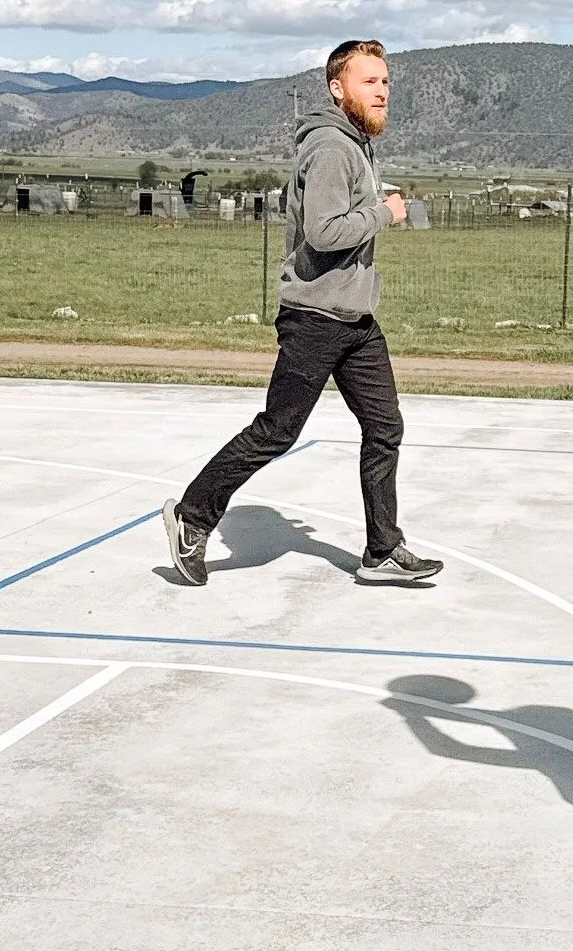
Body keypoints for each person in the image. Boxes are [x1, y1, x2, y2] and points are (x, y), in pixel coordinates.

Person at [162, 39, 443, 589]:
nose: (382, 92)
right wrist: (384, 213)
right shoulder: (332, 148)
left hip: (355, 319)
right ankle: (192, 517)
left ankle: (383, 550)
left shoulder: (355, 145)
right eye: (369, 81)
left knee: (384, 427)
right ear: (338, 88)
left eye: (385, 81)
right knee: (277, 430)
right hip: (315, 317)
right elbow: (325, 232)